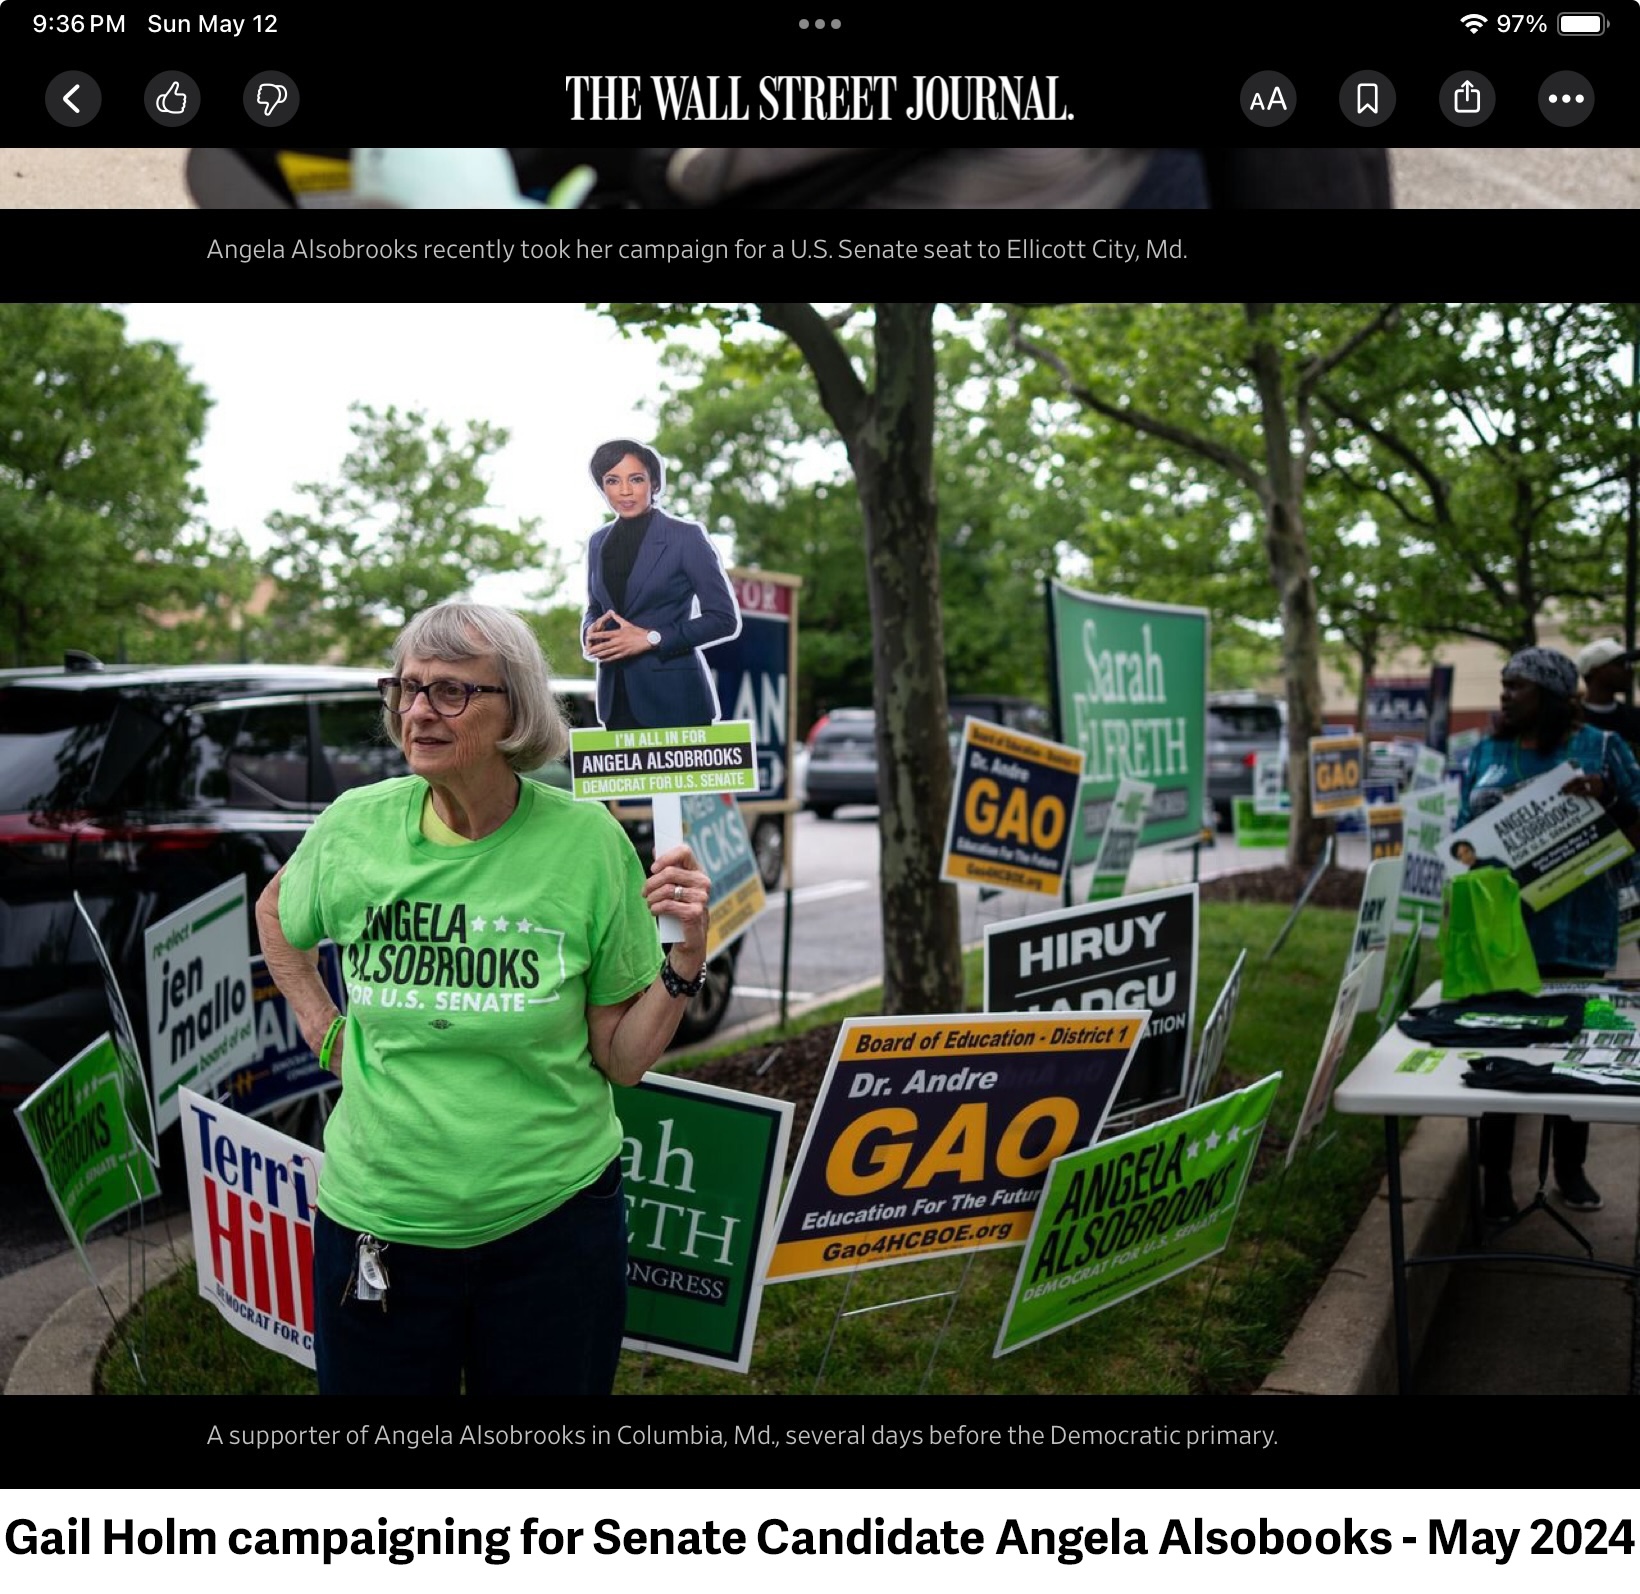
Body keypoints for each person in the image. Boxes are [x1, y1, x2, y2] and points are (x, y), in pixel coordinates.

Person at [254, 601, 713, 1396]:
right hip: (380, 1223)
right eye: (407, 687)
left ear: (516, 711)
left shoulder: (586, 842)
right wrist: (321, 1023)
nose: (419, 710)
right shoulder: (353, 827)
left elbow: (623, 1060)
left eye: (452, 692)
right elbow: (276, 914)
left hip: (552, 1225)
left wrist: (685, 961)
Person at [1457, 646, 1640, 1221]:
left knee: (1571, 1056)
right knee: (1501, 1052)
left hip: (1575, 934)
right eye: (1505, 684)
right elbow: (1462, 836)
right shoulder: (1486, 752)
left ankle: (1570, 1168)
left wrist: (1605, 801)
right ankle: (1494, 1181)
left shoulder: (1604, 749)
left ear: (1555, 696)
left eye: (1520, 686)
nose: (1506, 694)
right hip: (1501, 937)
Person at [581, 439, 741, 731]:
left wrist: (652, 638)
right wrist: (590, 631)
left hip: (675, 700)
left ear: (653, 484)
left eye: (636, 479)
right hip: (615, 701)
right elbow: (595, 606)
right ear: (603, 487)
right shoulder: (597, 542)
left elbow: (723, 619)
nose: (625, 490)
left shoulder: (686, 538)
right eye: (613, 481)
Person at [1575, 638, 1640, 760]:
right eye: (1621, 664)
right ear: (1596, 671)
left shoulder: (1635, 718)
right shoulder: (1572, 721)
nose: (1630, 671)